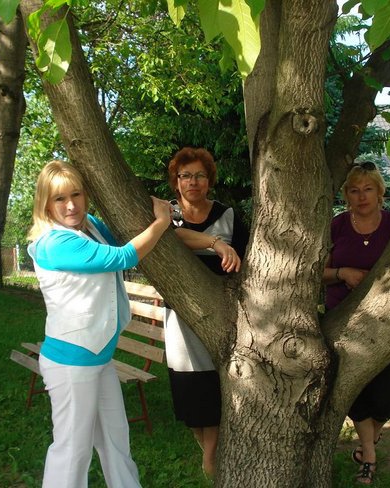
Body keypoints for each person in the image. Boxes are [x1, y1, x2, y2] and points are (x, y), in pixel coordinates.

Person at [26, 160, 172, 488]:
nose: (71, 205)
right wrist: (162, 222)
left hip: (99, 357)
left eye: (76, 194)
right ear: (45, 204)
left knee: (115, 439)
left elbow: (124, 233)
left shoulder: (87, 225)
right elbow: (122, 257)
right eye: (59, 199)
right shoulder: (55, 242)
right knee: (73, 450)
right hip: (71, 362)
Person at [164, 147, 249, 479]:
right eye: (185, 176)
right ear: (176, 181)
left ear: (210, 179)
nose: (193, 182)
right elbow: (172, 236)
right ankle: (210, 452)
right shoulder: (169, 215)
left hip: (220, 314)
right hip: (179, 317)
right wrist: (215, 243)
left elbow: (246, 260)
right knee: (188, 389)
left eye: (200, 175)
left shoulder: (227, 215)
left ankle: (211, 460)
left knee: (213, 387)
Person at [322, 161, 390, 485]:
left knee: (382, 400)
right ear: (347, 195)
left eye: (368, 188)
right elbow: (317, 273)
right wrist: (343, 274)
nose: (361, 195)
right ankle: (368, 455)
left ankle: (370, 440)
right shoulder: (337, 226)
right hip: (342, 319)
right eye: (354, 190)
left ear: (380, 192)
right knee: (354, 392)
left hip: (386, 320)